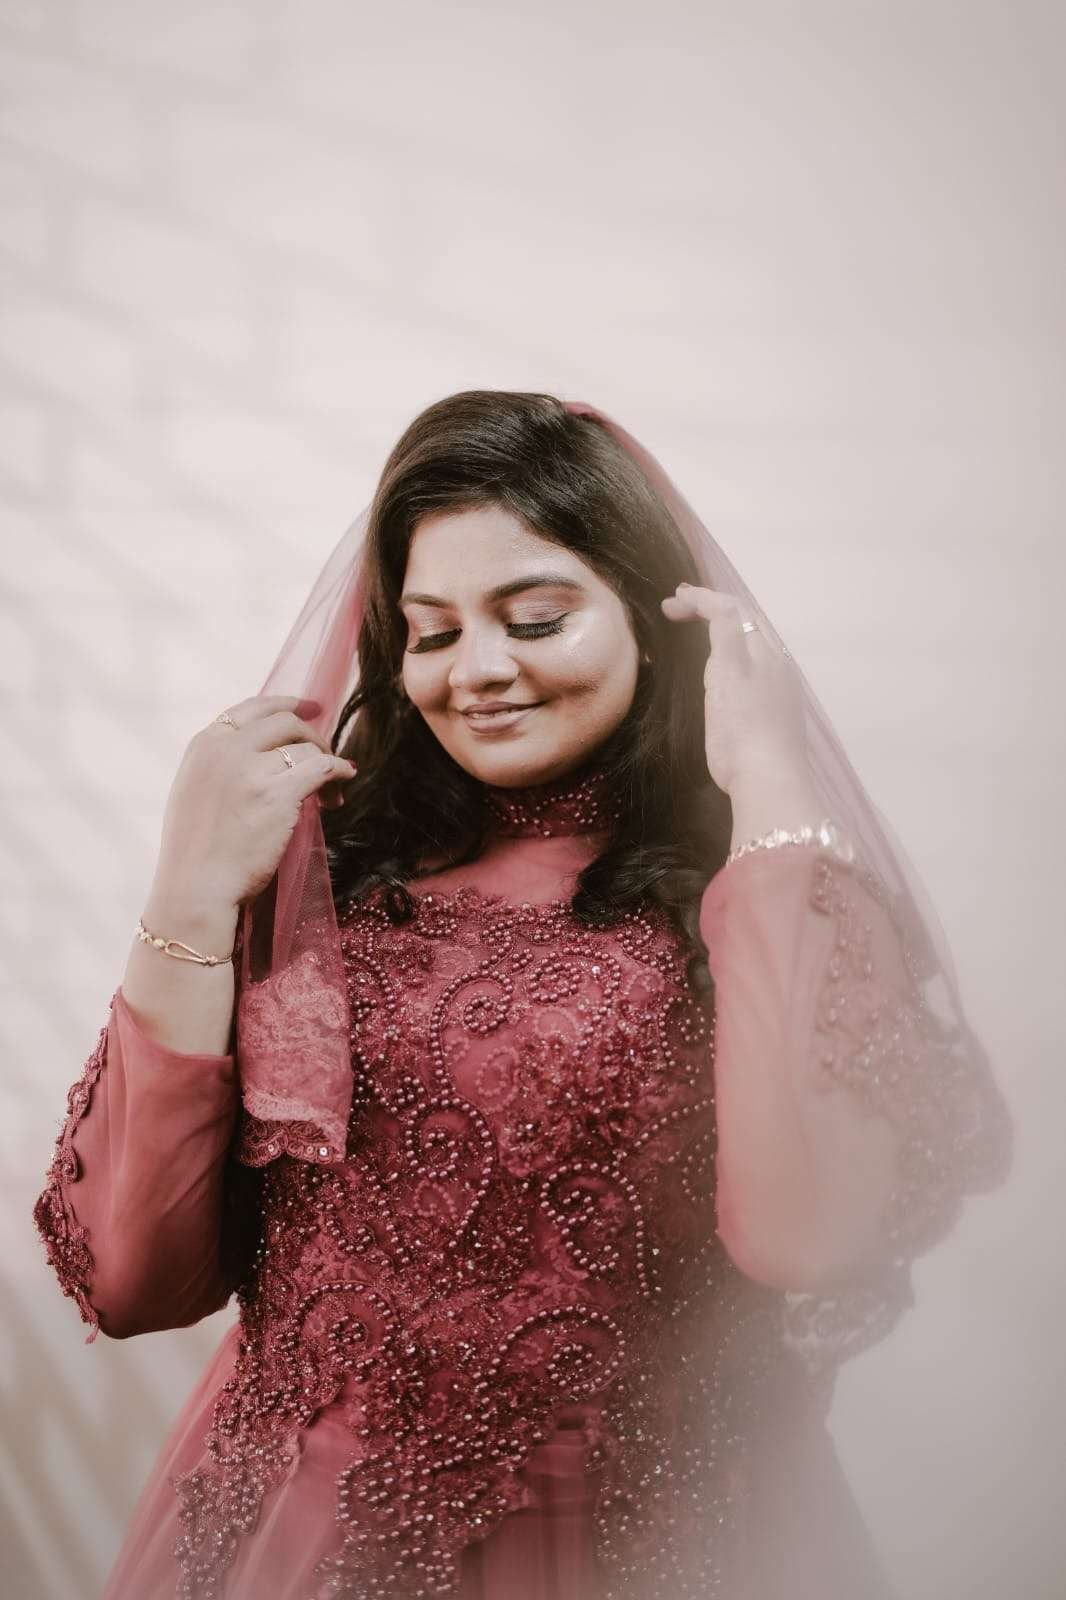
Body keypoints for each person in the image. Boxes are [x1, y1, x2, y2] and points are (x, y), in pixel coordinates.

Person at [33, 391, 1012, 1600]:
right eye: (432, 632)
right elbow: (133, 1277)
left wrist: (765, 787)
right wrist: (187, 895)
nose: (479, 670)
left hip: (649, 1547)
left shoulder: (764, 882)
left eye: (535, 617)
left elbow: (806, 1238)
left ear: (648, 618)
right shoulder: (331, 875)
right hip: (302, 1536)